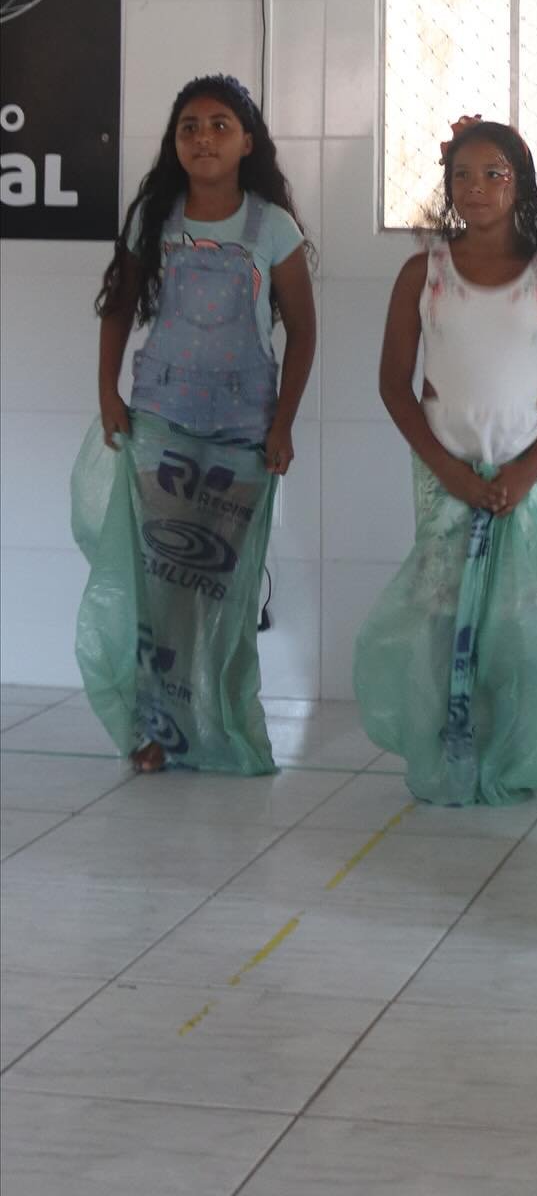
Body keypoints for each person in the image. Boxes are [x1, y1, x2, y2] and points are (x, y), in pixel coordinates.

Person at [76, 73, 316, 774]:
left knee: (223, 593)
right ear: (173, 142)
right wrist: (108, 392)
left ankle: (220, 724)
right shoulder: (155, 219)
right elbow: (119, 305)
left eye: (219, 126)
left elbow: (303, 332)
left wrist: (283, 424)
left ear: (247, 143)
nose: (203, 138)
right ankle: (153, 730)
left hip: (244, 430)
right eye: (189, 127)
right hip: (162, 421)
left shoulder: (272, 227)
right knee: (160, 588)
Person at [354, 118, 537, 805]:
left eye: (493, 174)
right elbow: (393, 385)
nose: (476, 187)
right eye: (462, 175)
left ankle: (509, 753)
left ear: (520, 184)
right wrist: (448, 470)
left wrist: (524, 472)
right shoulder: (423, 274)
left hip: (523, 481)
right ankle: (445, 749)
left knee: (516, 619)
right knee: (440, 614)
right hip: (444, 479)